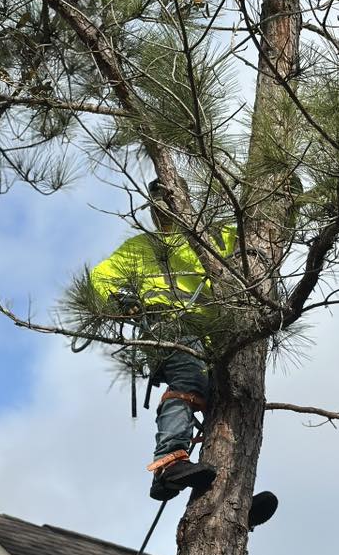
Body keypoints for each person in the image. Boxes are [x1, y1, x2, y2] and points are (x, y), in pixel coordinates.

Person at [89, 179, 278, 527]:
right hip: (166, 327)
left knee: (233, 407)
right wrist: (119, 300)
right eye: (156, 199)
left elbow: (258, 234)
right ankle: (168, 463)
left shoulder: (212, 237)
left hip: (215, 343)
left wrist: (285, 198)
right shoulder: (142, 247)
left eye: (169, 197)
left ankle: (232, 493)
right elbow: (101, 277)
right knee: (188, 376)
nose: (163, 206)